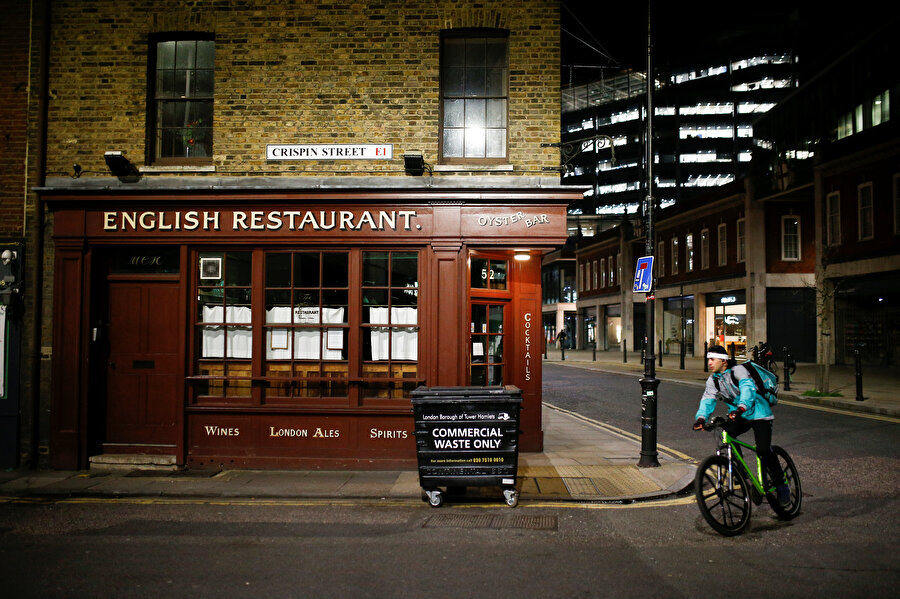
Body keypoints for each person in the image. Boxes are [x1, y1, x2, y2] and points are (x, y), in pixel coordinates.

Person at [692, 345, 790, 505]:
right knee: (727, 434)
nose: (709, 363)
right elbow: (708, 399)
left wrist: (742, 407)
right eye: (708, 359)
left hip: (758, 412)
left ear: (724, 362)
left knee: (764, 450)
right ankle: (744, 475)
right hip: (739, 414)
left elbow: (748, 389)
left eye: (712, 359)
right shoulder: (713, 380)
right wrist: (701, 418)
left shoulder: (738, 372)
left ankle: (782, 485)